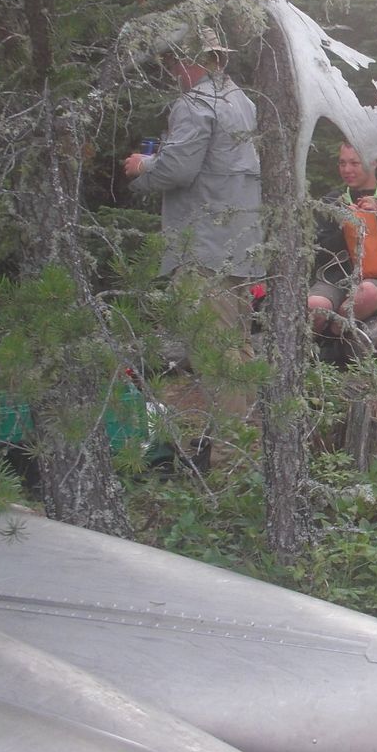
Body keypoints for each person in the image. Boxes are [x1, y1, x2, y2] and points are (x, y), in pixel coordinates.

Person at [122, 26, 262, 467]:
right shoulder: (241, 100)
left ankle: (228, 461)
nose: (170, 71)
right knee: (237, 348)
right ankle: (244, 448)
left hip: (202, 245)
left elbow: (177, 170)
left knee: (214, 352)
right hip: (238, 244)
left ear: (191, 60)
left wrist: (142, 166)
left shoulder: (195, 104)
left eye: (171, 61)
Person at [309, 145, 377, 341]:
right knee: (315, 306)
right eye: (342, 163)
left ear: (374, 162)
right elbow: (318, 252)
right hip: (333, 279)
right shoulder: (331, 200)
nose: (347, 170)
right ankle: (311, 347)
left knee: (366, 293)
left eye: (355, 163)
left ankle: (333, 339)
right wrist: (346, 228)